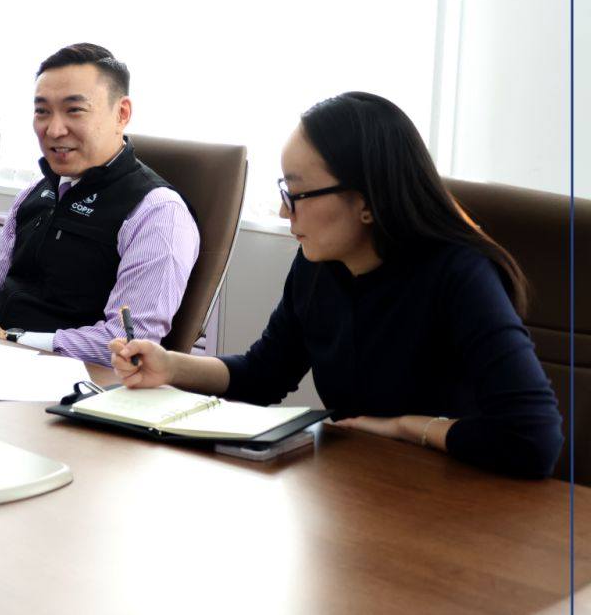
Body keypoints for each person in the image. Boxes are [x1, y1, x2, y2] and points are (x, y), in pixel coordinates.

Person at [109, 92, 564, 479]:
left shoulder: (460, 275)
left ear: (366, 202)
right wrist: (170, 367)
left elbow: (532, 438)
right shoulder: (319, 265)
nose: (285, 212)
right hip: (365, 485)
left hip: (457, 495)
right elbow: (263, 375)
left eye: (297, 194)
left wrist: (405, 427)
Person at [0, 43, 199, 365]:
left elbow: (128, 341)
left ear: (122, 114)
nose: (54, 129)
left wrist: (9, 339)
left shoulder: (157, 212)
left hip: (71, 379)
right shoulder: (36, 192)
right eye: (42, 111)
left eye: (74, 110)